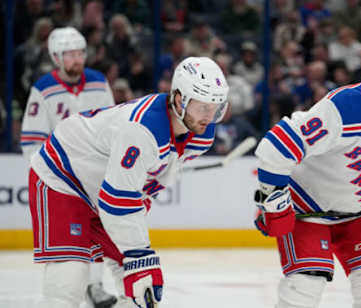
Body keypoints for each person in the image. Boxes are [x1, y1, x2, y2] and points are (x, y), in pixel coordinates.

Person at [27, 56, 229, 307]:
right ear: (179, 99)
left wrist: (136, 255)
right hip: (64, 176)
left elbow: (141, 187)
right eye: (202, 106)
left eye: (215, 107)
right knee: (68, 281)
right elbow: (117, 199)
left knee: (140, 290)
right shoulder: (142, 130)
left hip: (106, 186)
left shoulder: (201, 134)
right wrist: (139, 254)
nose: (208, 116)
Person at [253, 43, 361, 308]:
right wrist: (273, 199)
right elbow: (275, 147)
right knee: (305, 284)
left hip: (356, 213)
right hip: (307, 208)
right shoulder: (342, 108)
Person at [20, 27, 116, 308]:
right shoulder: (43, 89)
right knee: (67, 242)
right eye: (70, 54)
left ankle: (96, 286)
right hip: (61, 183)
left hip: (94, 177)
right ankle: (68, 290)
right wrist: (52, 177)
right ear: (55, 57)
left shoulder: (99, 82)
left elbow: (113, 127)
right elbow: (32, 141)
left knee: (98, 231)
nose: (77, 59)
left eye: (80, 53)